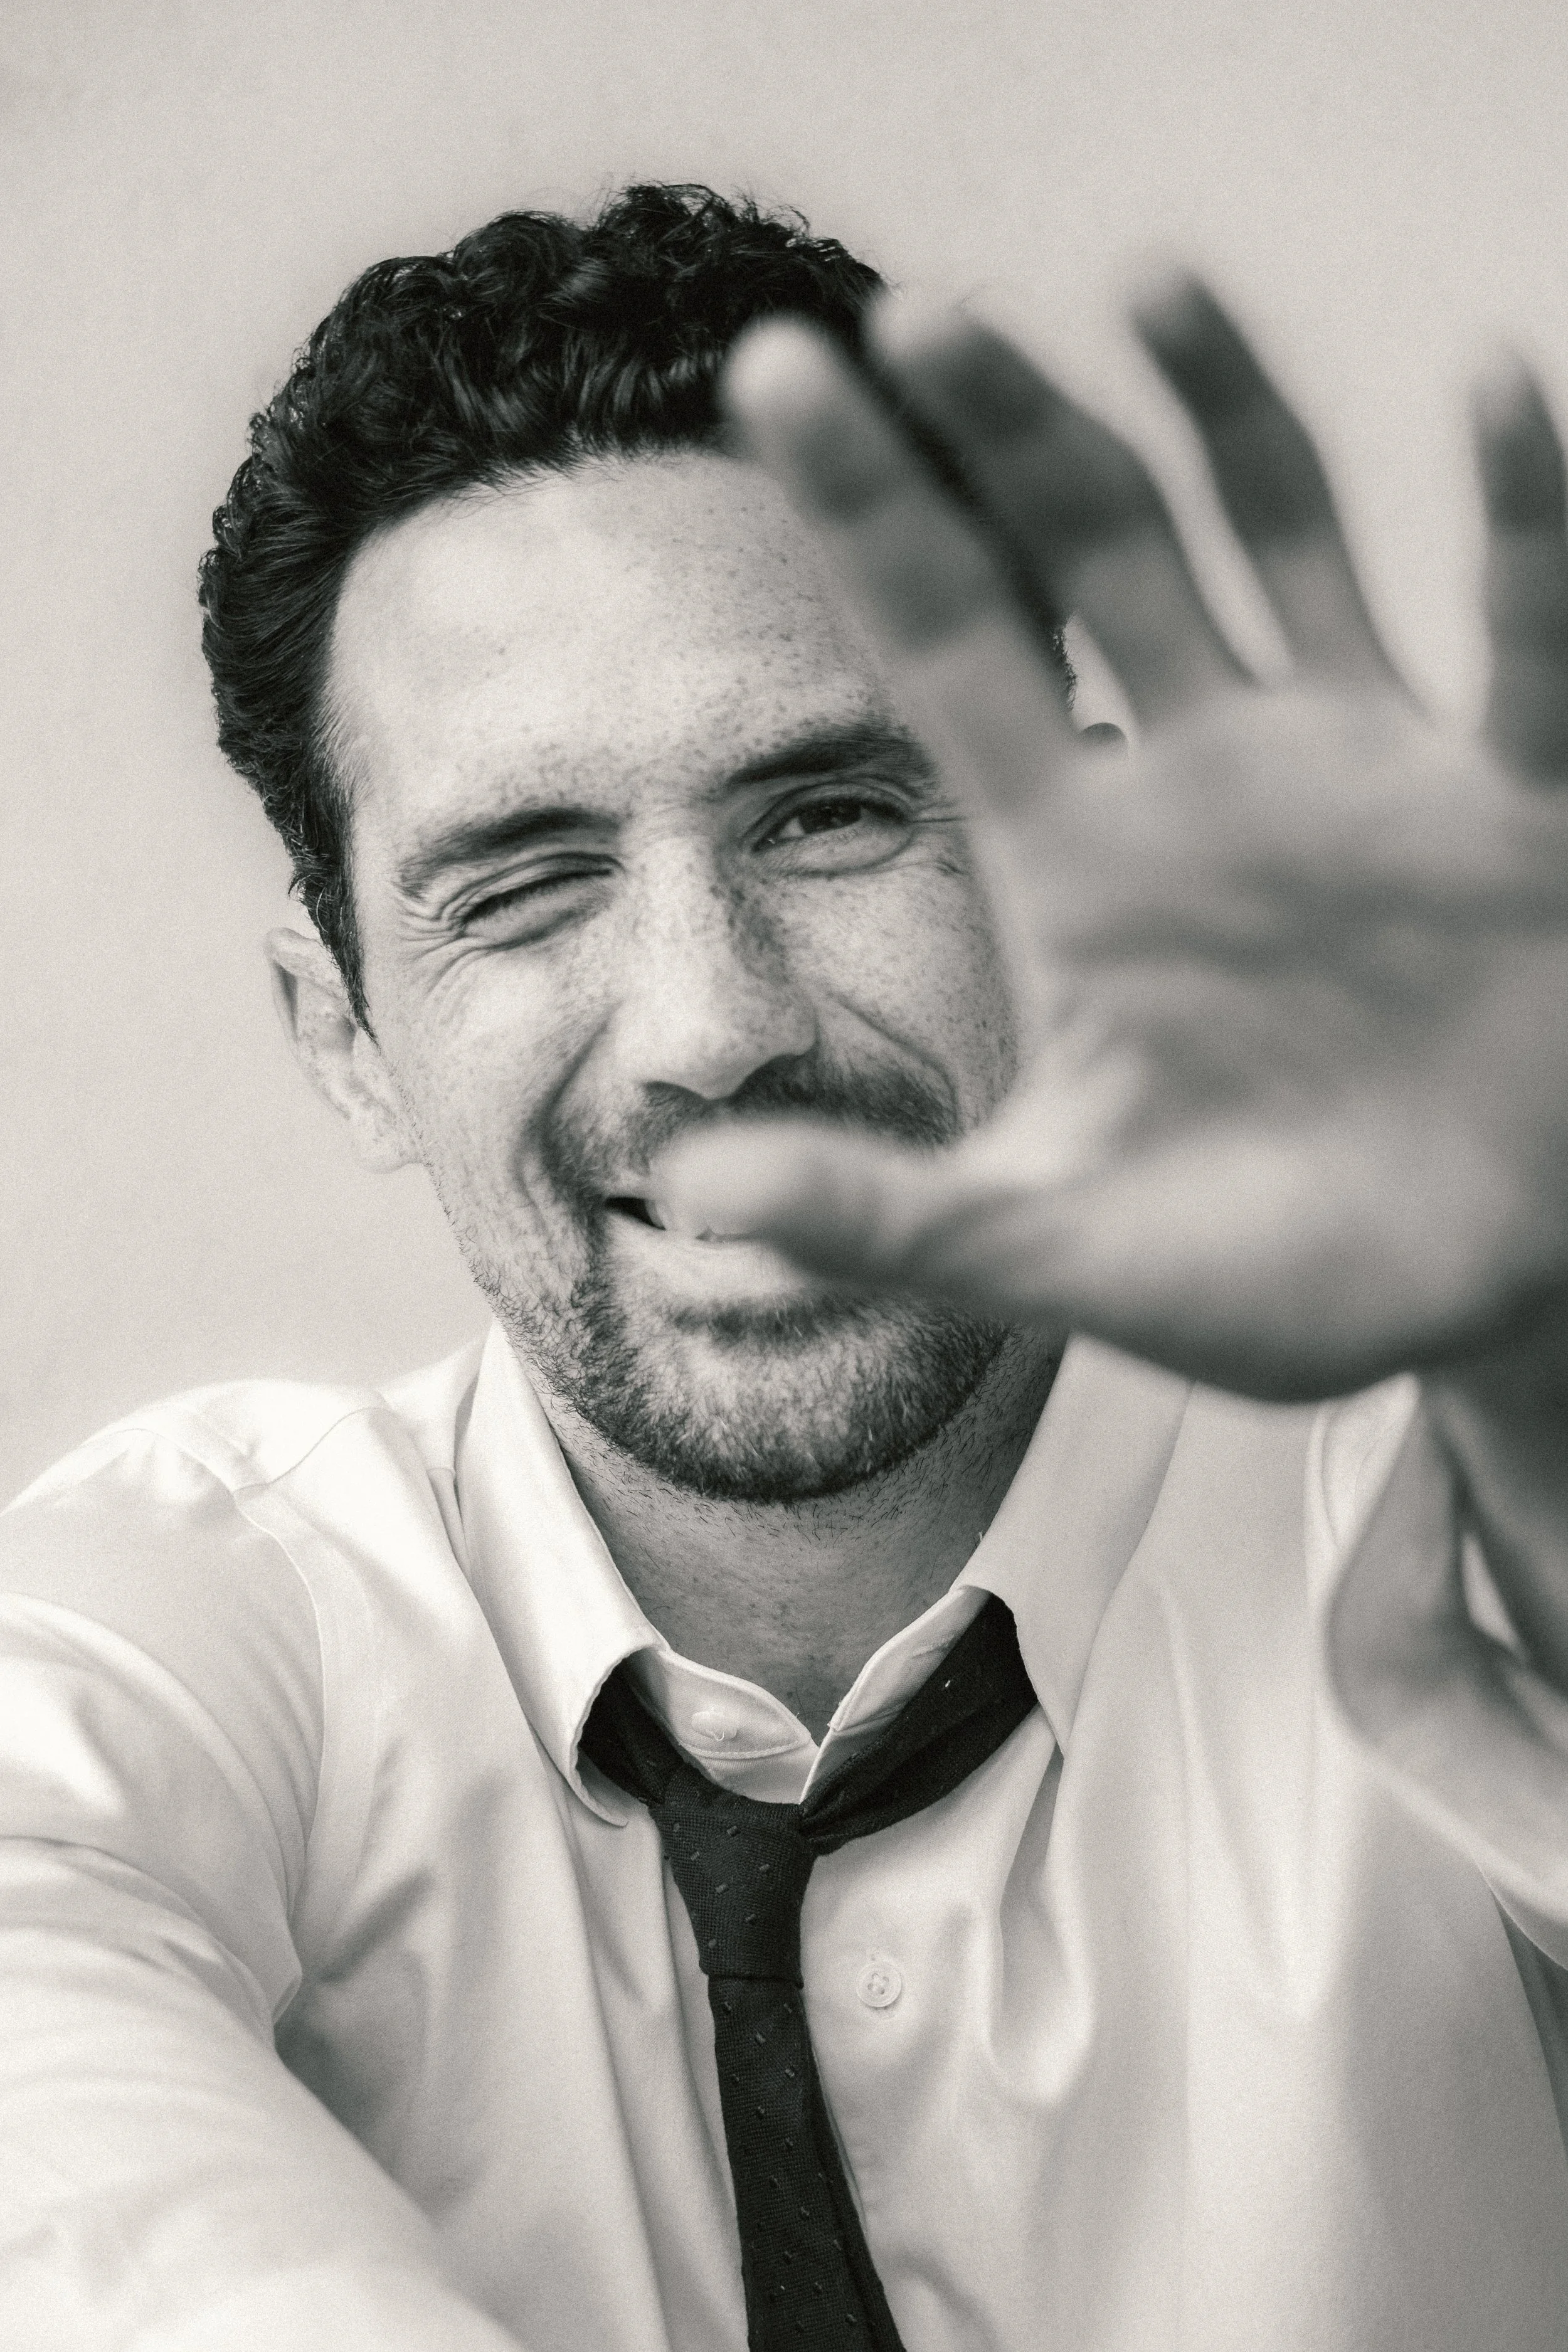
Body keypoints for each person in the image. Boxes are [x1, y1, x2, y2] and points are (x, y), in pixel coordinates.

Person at [4, 181, 1568, 2351]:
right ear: (348, 1038)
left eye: (827, 815)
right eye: (524, 886)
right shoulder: (190, 1635)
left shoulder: (1439, 1497)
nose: (710, 1024)